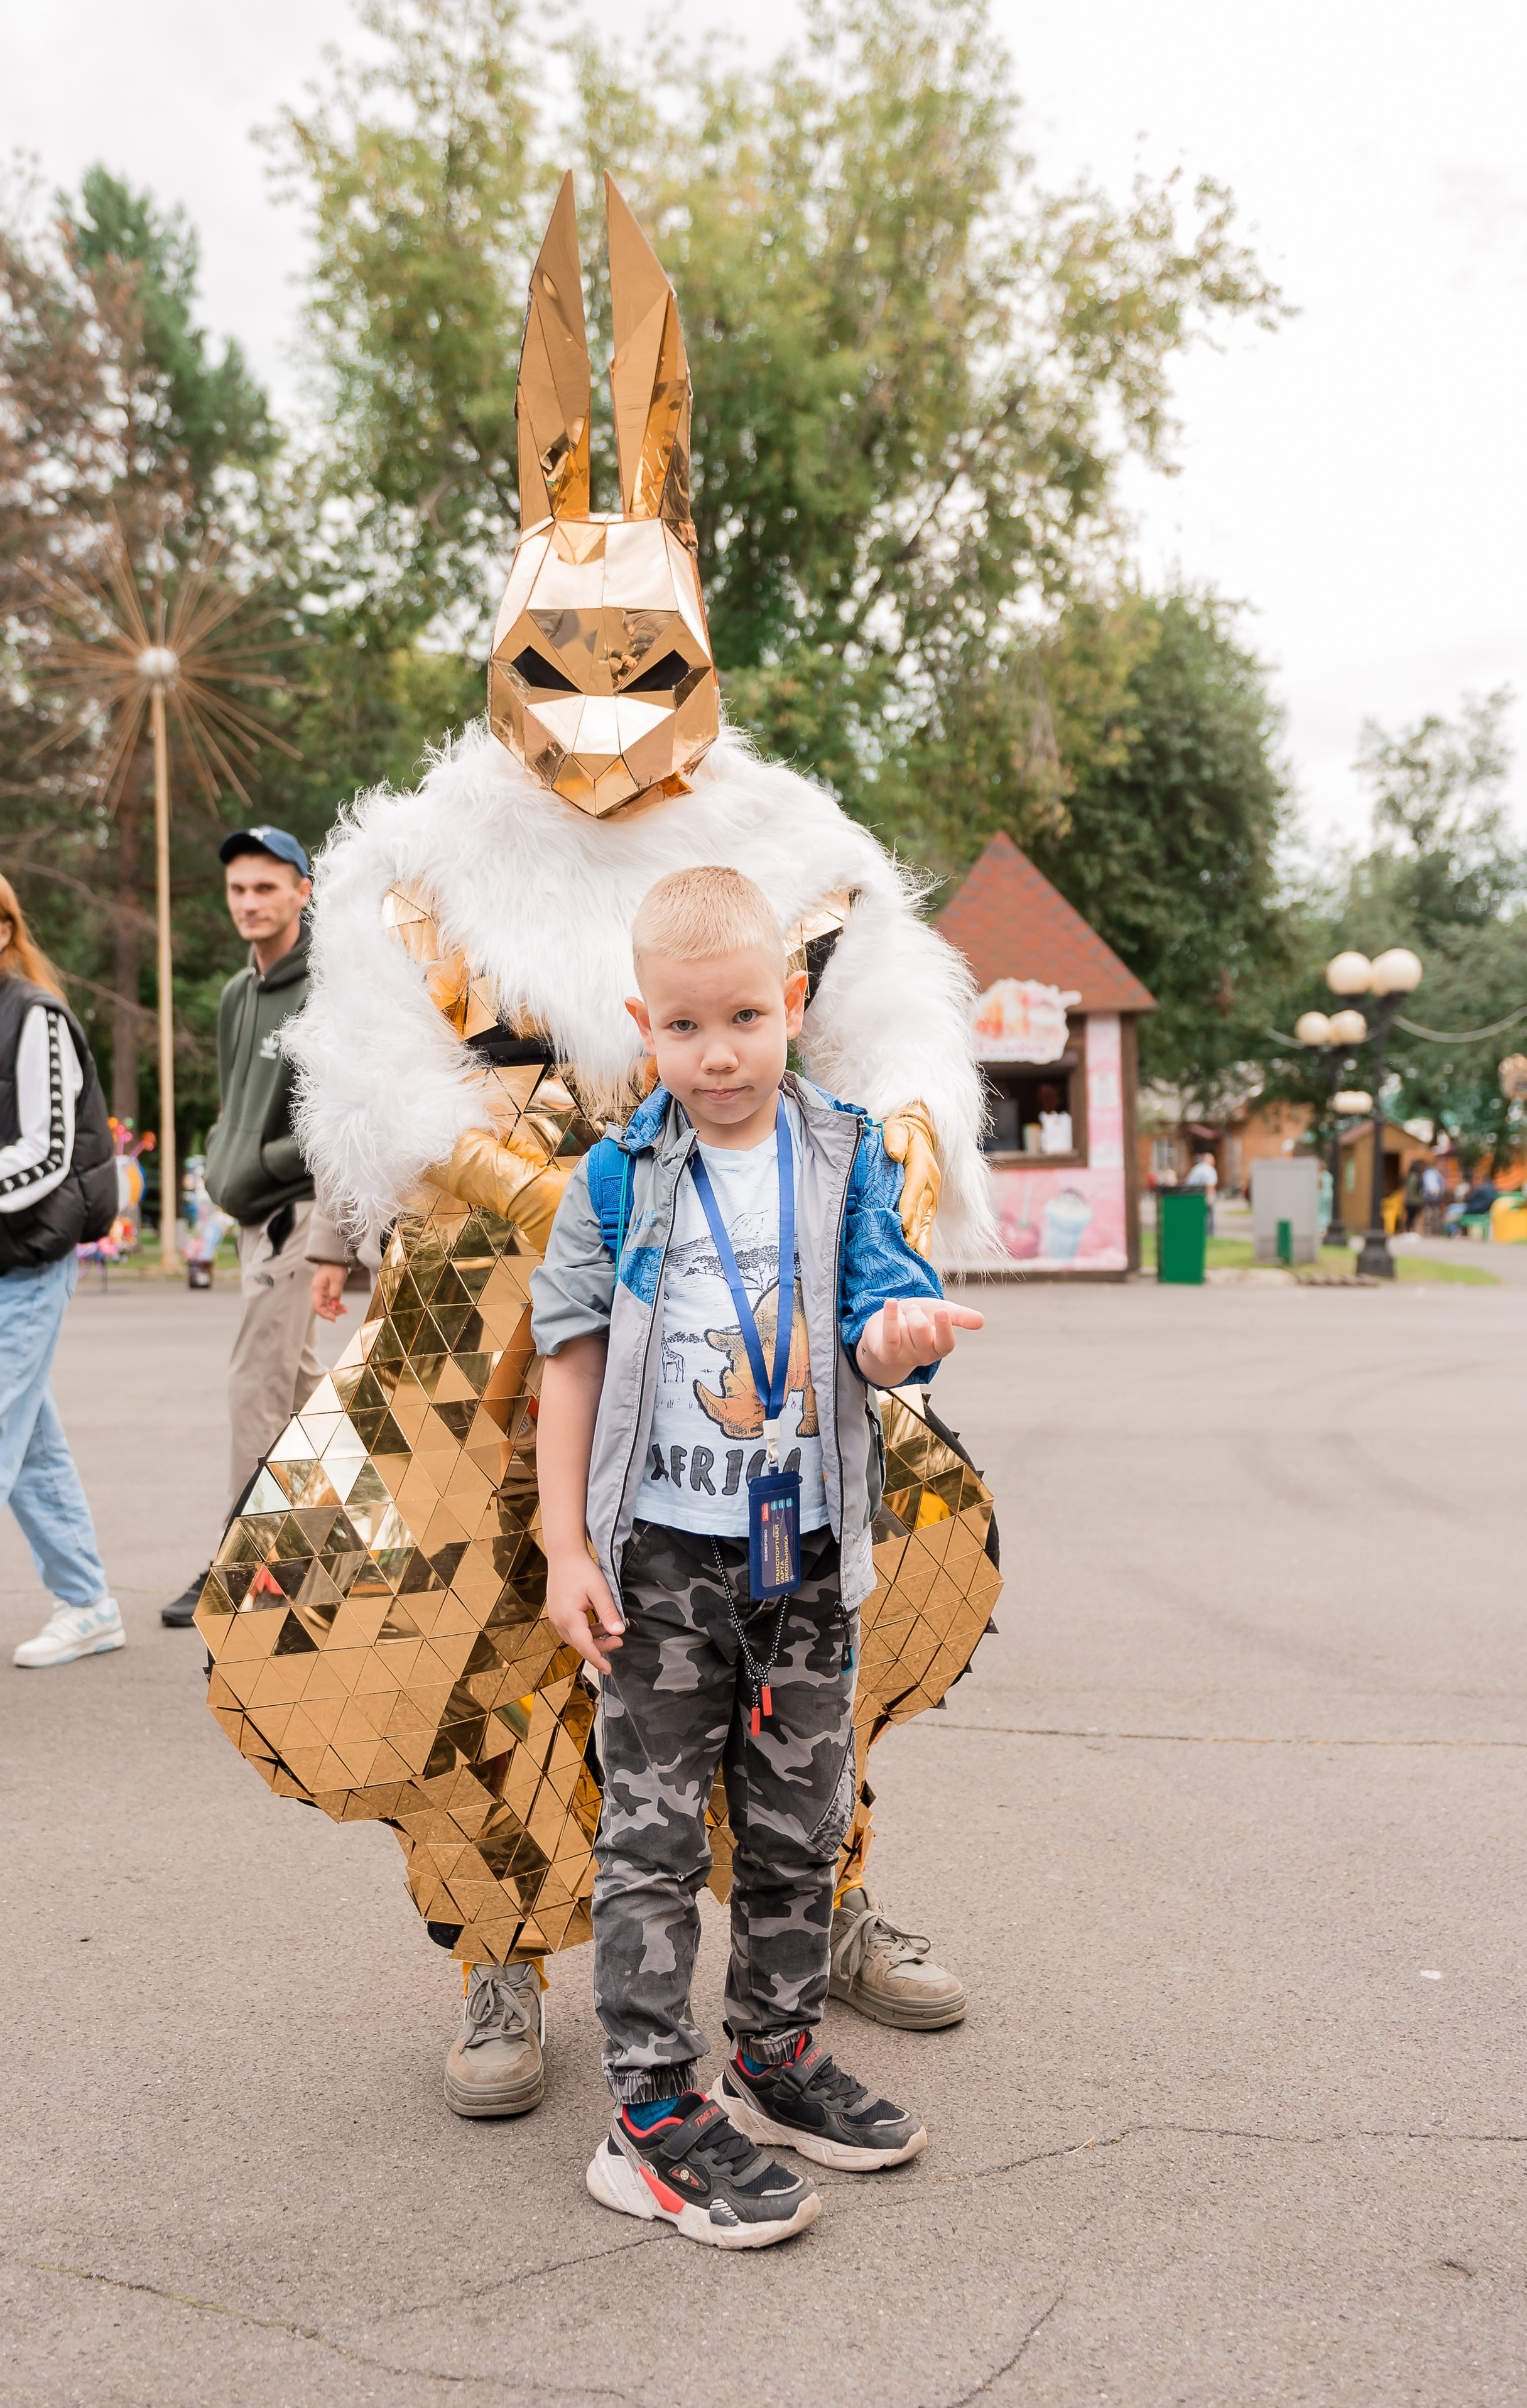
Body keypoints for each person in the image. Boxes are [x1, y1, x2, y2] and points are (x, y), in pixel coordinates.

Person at [200, 171, 996, 2117]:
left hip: (768, 1336)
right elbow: (374, 1073)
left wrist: (890, 1143)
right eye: (558, 658)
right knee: (474, 1651)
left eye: (640, 656)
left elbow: (888, 996)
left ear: (696, 635)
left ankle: (829, 1913)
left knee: (808, 1625)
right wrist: (523, 1177)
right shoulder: (415, 860)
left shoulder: (784, 838)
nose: (597, 704)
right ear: (504, 643)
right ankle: (494, 1967)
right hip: (496, 1348)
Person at [532, 867, 985, 2247]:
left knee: (797, 1836)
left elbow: (875, 1302)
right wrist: (564, 1545)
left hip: (802, 1569)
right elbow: (570, 1361)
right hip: (663, 1562)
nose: (717, 1053)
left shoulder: (840, 1153)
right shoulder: (611, 1182)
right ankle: (651, 2115)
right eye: (682, 1028)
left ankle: (774, 2063)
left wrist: (892, 1341)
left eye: (741, 1015)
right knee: (653, 1843)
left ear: (788, 1003)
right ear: (640, 1027)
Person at [163, 828, 359, 1628]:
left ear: (303, 891)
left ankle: (237, 1565)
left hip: (300, 1215)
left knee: (257, 1384)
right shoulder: (236, 995)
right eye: (239, 890)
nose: (250, 903)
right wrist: (223, 1157)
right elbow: (229, 1106)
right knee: (304, 1393)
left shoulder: (331, 986)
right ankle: (352, 1547)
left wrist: (328, 1243)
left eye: (267, 889)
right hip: (251, 1215)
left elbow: (340, 1113)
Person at [0, 877, 123, 1669]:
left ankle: (86, 1603)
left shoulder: (34, 1014)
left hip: (31, 1257)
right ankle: (88, 1604)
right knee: (31, 1442)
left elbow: (45, 1156)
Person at [1185, 1149, 1219, 1235]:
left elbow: (1189, 1182)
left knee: (1198, 1216)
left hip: (1194, 1196)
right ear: (1209, 1160)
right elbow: (1210, 1185)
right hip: (1206, 1195)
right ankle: (1210, 1234)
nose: (1214, 1162)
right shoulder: (1210, 1170)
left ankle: (1197, 1231)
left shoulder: (1196, 1169)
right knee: (1210, 1216)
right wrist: (1211, 1198)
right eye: (1213, 1160)